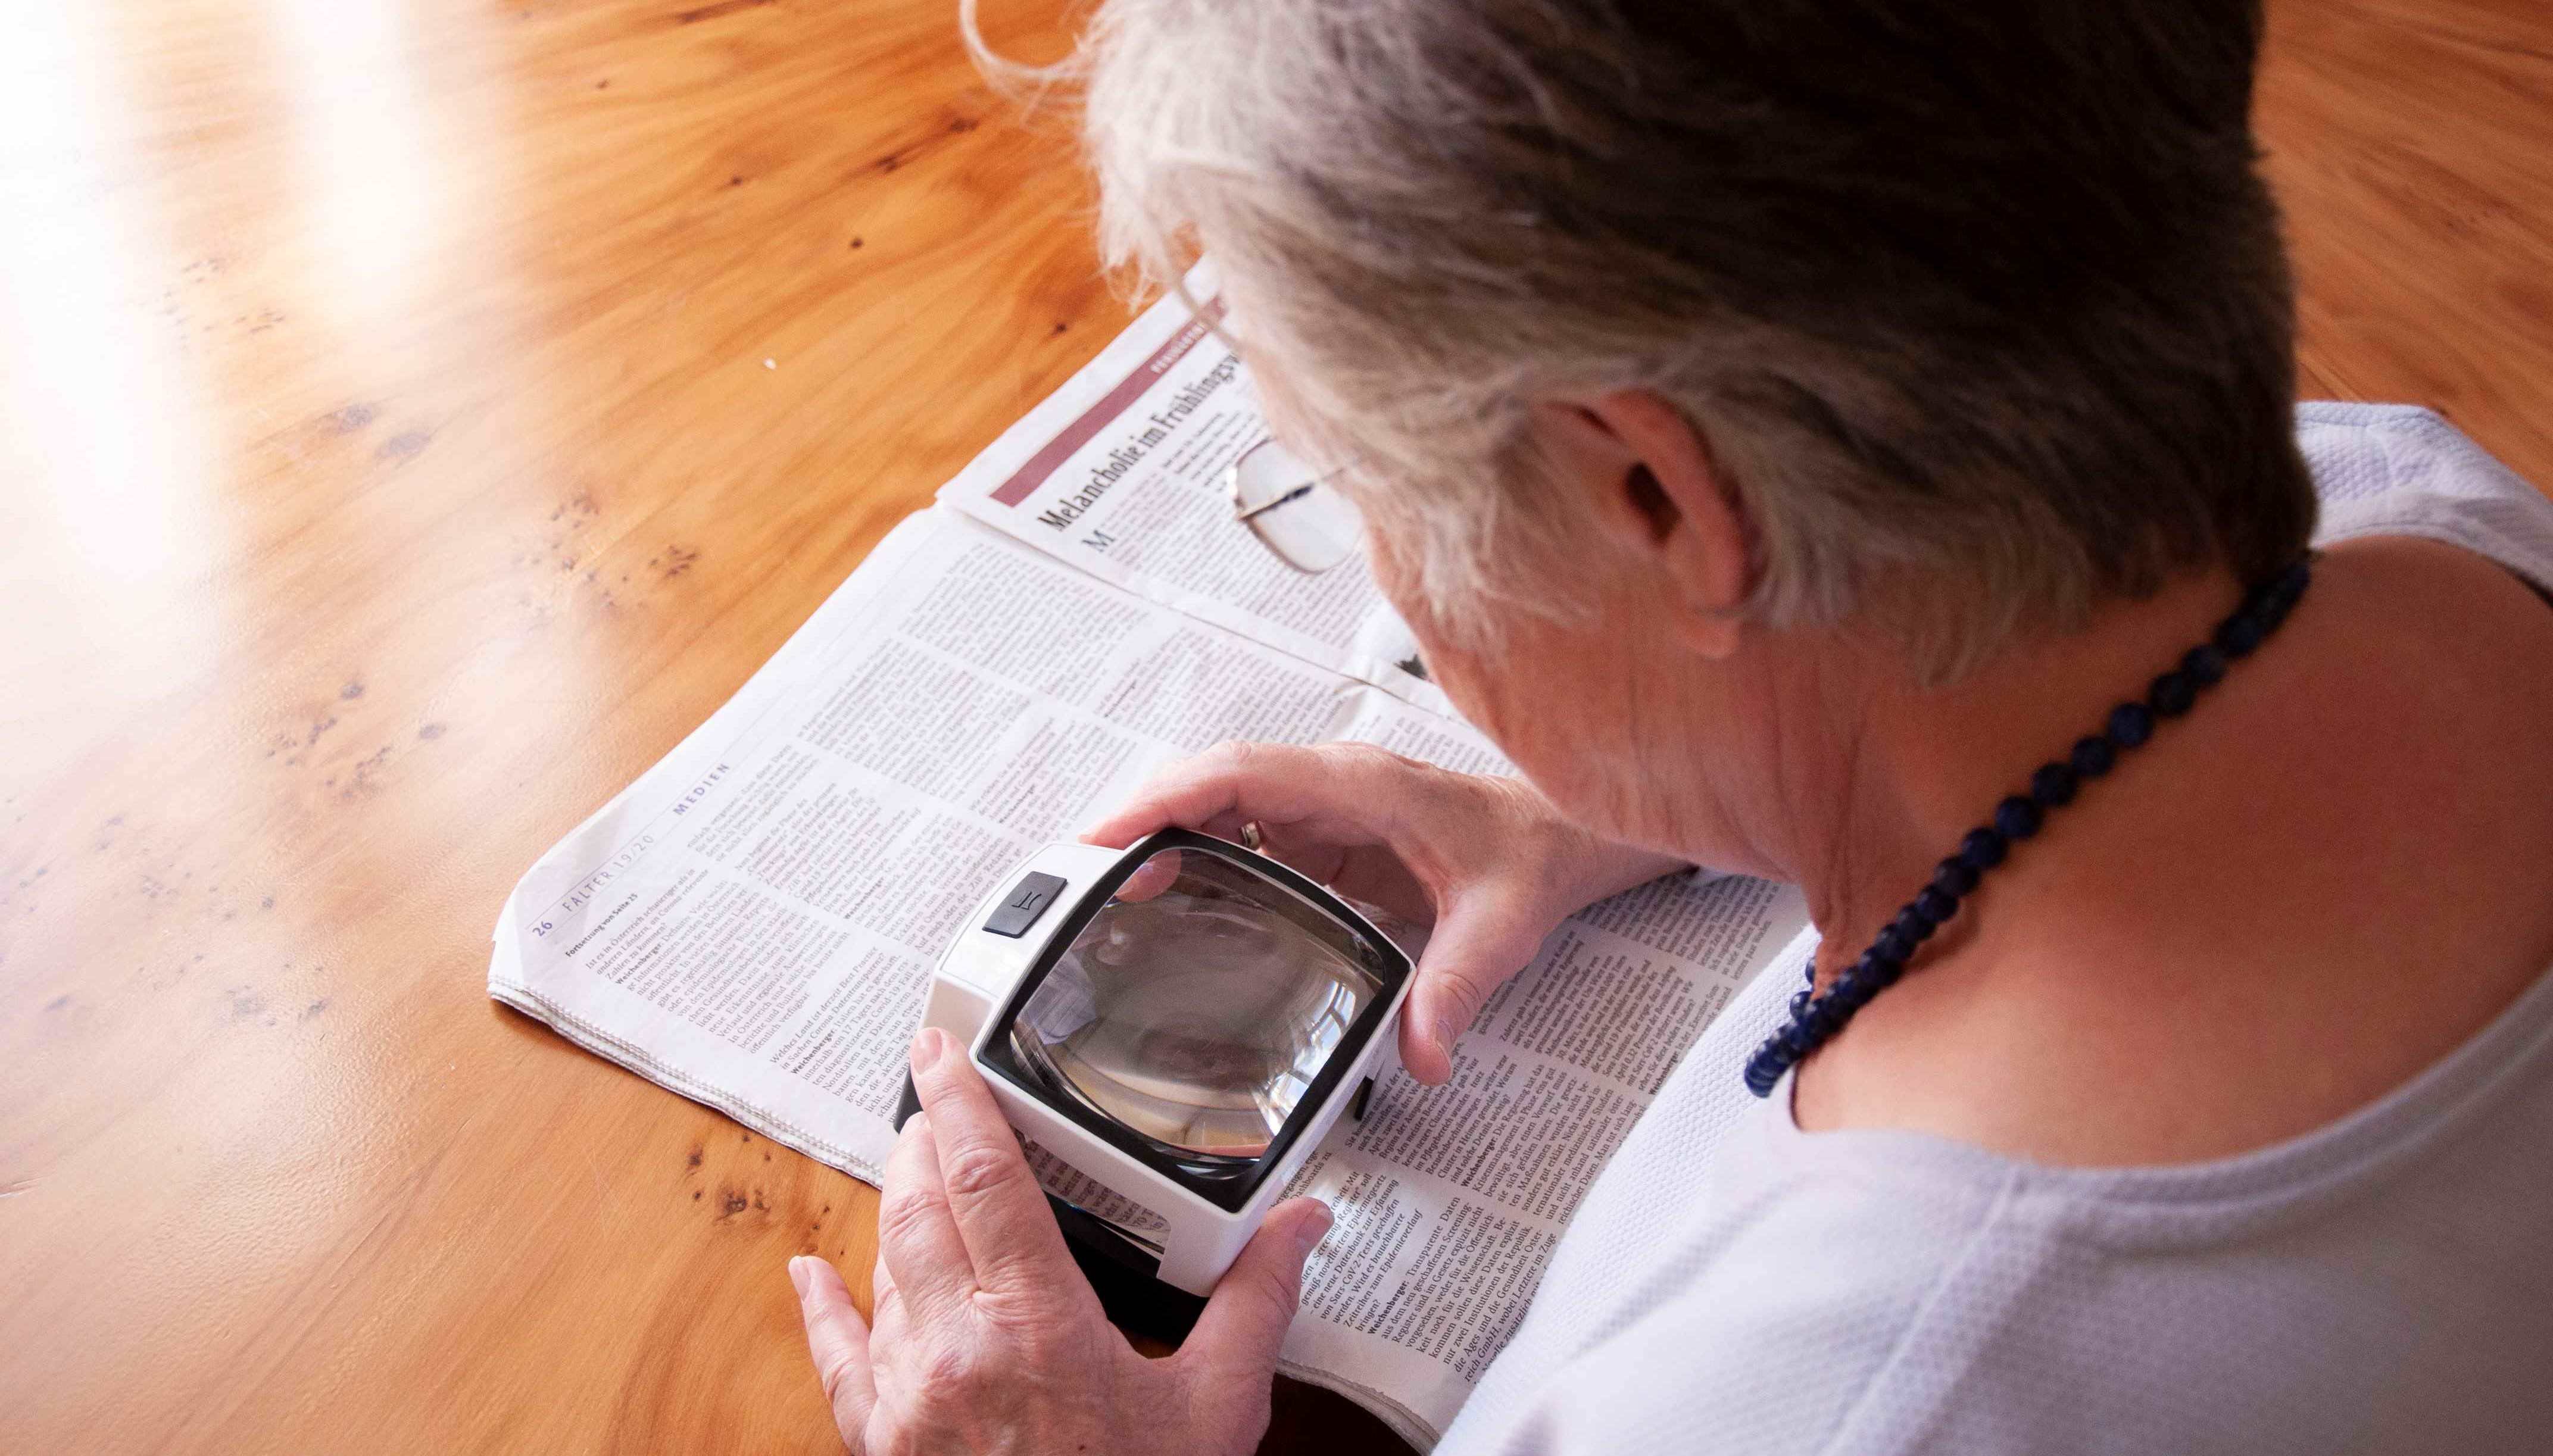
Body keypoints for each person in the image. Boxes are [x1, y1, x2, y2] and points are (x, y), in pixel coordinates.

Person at [786, 2, 2553, 1451]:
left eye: (1357, 485)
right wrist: (1653, 790)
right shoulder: (2416, 509)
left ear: (1653, 492)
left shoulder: (1837, 1404)